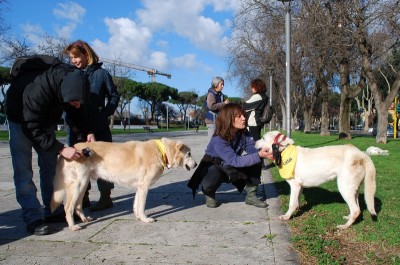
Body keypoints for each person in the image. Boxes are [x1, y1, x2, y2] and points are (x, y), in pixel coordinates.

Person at [5, 55, 93, 235]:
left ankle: (52, 210)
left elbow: (76, 112)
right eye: (74, 101)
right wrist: (61, 148)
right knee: (23, 171)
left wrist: (88, 131)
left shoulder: (72, 84)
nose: (76, 105)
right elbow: (31, 126)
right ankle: (32, 217)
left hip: (44, 120)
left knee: (51, 168)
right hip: (20, 121)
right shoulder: (38, 89)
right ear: (66, 93)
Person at [64, 40, 120, 212]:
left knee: (103, 162)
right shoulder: (69, 74)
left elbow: (114, 96)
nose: (74, 61)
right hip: (76, 129)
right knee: (79, 161)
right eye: (71, 58)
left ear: (86, 54)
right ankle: (84, 196)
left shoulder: (102, 74)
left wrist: (105, 114)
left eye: (76, 56)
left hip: (98, 128)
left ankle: (105, 197)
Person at [188, 103, 270, 208]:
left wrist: (265, 153)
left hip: (231, 166)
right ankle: (209, 192)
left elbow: (252, 150)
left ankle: (251, 196)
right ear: (229, 118)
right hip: (216, 168)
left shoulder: (244, 133)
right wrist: (258, 155)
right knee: (212, 171)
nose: (244, 118)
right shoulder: (218, 138)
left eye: (244, 115)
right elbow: (235, 160)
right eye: (239, 116)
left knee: (256, 160)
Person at [204, 76, 229, 141]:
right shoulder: (211, 94)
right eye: (221, 84)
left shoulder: (220, 95)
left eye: (223, 84)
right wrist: (224, 104)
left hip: (218, 120)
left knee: (219, 141)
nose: (223, 86)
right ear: (216, 84)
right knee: (212, 141)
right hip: (212, 121)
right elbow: (211, 106)